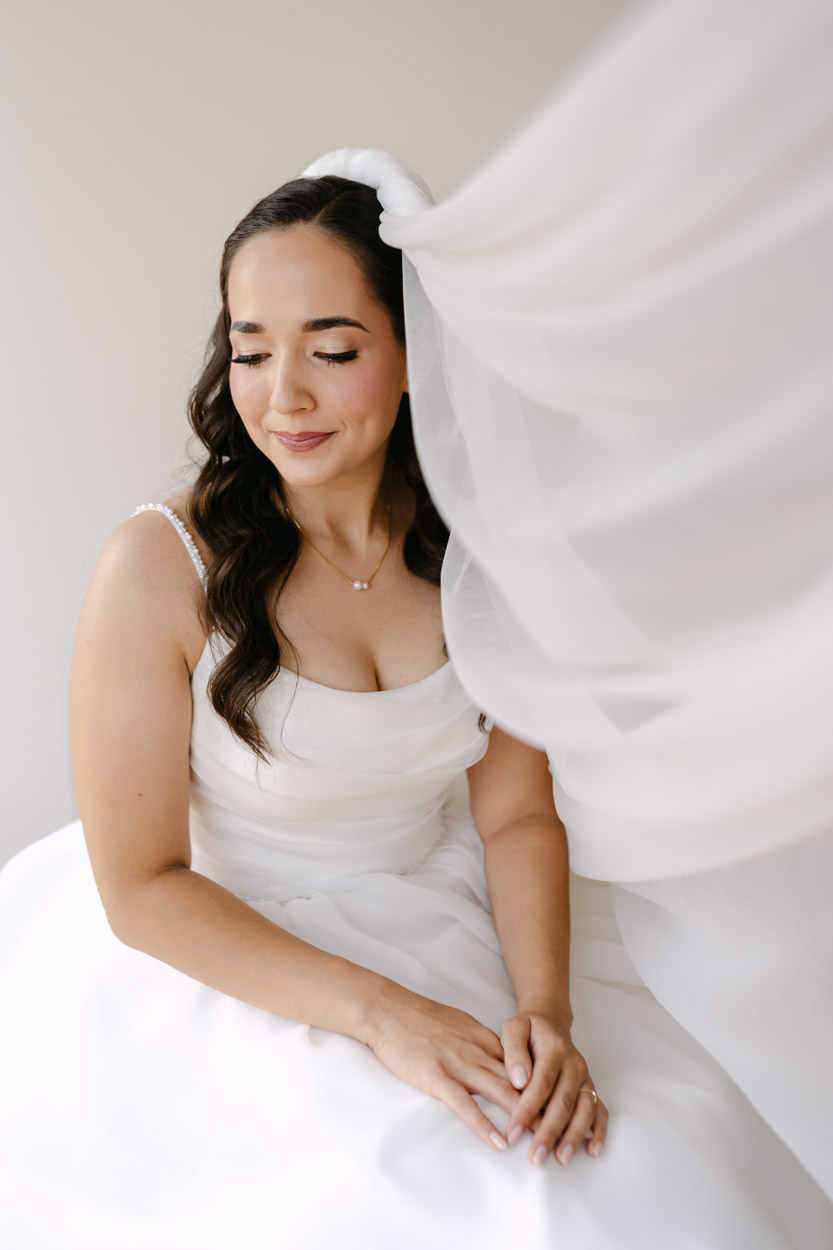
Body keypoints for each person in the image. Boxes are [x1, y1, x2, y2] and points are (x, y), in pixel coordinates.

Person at [0, 166, 830, 1250]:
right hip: (226, 945)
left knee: (644, 1172)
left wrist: (545, 1011)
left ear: (415, 356)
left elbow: (515, 814)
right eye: (251, 350)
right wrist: (385, 1015)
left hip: (448, 911)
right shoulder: (159, 565)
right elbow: (142, 887)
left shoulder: (481, 552)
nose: (283, 398)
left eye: (332, 351)